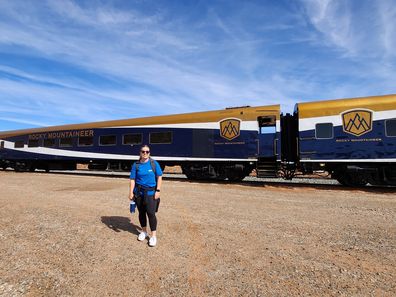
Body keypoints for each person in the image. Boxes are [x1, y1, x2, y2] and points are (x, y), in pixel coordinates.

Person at [129, 145, 163, 247]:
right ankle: (143, 232)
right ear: (140, 152)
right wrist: (131, 192)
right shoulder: (136, 165)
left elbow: (159, 177)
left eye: (147, 152)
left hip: (150, 193)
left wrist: (158, 190)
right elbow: (132, 179)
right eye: (143, 151)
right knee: (141, 213)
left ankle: (153, 236)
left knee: (151, 214)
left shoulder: (154, 163)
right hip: (139, 193)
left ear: (149, 153)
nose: (145, 153)